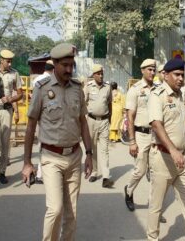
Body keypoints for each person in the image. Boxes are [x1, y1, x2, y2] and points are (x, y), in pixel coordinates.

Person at [21, 43, 93, 241]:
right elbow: (30, 127)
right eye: (65, 65)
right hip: (51, 157)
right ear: (55, 64)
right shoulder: (42, 89)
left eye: (72, 65)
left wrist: (89, 154)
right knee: (55, 209)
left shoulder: (77, 88)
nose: (70, 69)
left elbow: (83, 122)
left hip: (74, 157)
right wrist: (27, 163)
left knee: (72, 212)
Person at [147, 58, 185, 241]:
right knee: (156, 205)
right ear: (167, 75)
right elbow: (156, 124)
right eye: (177, 75)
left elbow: (178, 123)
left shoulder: (180, 95)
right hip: (163, 157)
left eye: (182, 75)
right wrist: (172, 150)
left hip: (182, 159)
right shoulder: (157, 95)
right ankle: (152, 238)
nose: (180, 78)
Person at [84, 64, 114, 188]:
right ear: (94, 75)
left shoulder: (108, 87)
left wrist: (110, 118)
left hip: (104, 121)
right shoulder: (88, 87)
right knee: (93, 148)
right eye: (98, 74)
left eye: (102, 73)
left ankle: (106, 176)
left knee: (104, 149)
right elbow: (82, 102)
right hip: (91, 121)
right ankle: (95, 172)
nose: (101, 76)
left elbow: (109, 103)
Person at [0, 49, 23, 184]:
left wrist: (11, 100)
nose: (10, 63)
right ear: (1, 60)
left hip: (6, 111)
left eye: (11, 60)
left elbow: (20, 94)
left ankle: (2, 172)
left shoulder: (15, 74)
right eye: (8, 61)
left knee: (5, 142)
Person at [30, 60, 56, 184]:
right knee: (49, 145)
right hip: (49, 117)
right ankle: (42, 173)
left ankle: (41, 172)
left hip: (37, 116)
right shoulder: (51, 80)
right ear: (53, 69)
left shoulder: (36, 80)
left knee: (41, 144)